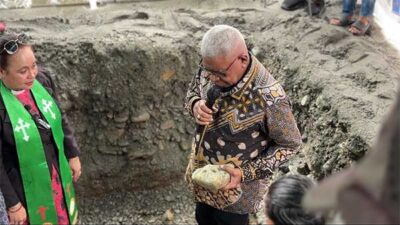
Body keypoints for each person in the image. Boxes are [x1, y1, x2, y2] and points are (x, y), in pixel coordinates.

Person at [184, 25, 302, 225]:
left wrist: (245, 174)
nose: (212, 78)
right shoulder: (214, 63)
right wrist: (195, 105)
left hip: (235, 194)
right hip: (202, 175)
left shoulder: (269, 98)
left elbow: (290, 145)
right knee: (202, 218)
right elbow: (193, 92)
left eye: (219, 73)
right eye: (208, 71)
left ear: (242, 59)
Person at [0, 33, 81, 225]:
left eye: (34, 65)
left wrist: (72, 154)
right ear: (2, 72)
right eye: (23, 71)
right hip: (24, 187)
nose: (32, 75)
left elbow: (59, 117)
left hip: (55, 173)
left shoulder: (43, 81)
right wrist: (13, 204)